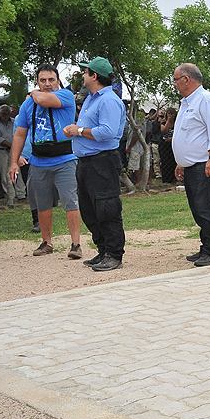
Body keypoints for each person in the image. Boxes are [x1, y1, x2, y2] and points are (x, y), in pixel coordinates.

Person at [59, 57, 127, 270]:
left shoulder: (108, 100)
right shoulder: (91, 98)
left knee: (107, 207)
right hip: (87, 163)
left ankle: (114, 254)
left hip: (102, 162)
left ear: (94, 76)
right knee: (89, 209)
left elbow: (108, 132)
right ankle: (103, 249)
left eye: (85, 72)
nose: (82, 76)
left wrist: (78, 131)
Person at [10, 64, 82, 258]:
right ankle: (46, 242)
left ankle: (76, 244)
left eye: (51, 79)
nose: (47, 83)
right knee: (42, 205)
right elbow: (19, 134)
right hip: (39, 160)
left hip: (65, 158)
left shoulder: (65, 95)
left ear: (58, 80)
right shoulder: (27, 105)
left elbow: (43, 99)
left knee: (70, 201)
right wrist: (14, 162)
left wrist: (34, 93)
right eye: (43, 80)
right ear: (37, 81)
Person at [171, 63, 210, 267]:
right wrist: (181, 162)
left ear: (187, 79)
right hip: (192, 166)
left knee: (205, 208)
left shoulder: (205, 100)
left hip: (206, 164)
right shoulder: (187, 102)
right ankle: (206, 246)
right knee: (198, 208)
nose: (175, 84)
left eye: (176, 79)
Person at [0, 104, 26, 208]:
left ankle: (21, 194)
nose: (5, 116)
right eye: (3, 114)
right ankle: (10, 196)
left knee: (16, 170)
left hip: (13, 149)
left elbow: (18, 134)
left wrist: (16, 146)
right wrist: (13, 145)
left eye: (7, 114)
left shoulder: (14, 122)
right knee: (5, 173)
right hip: (1, 150)